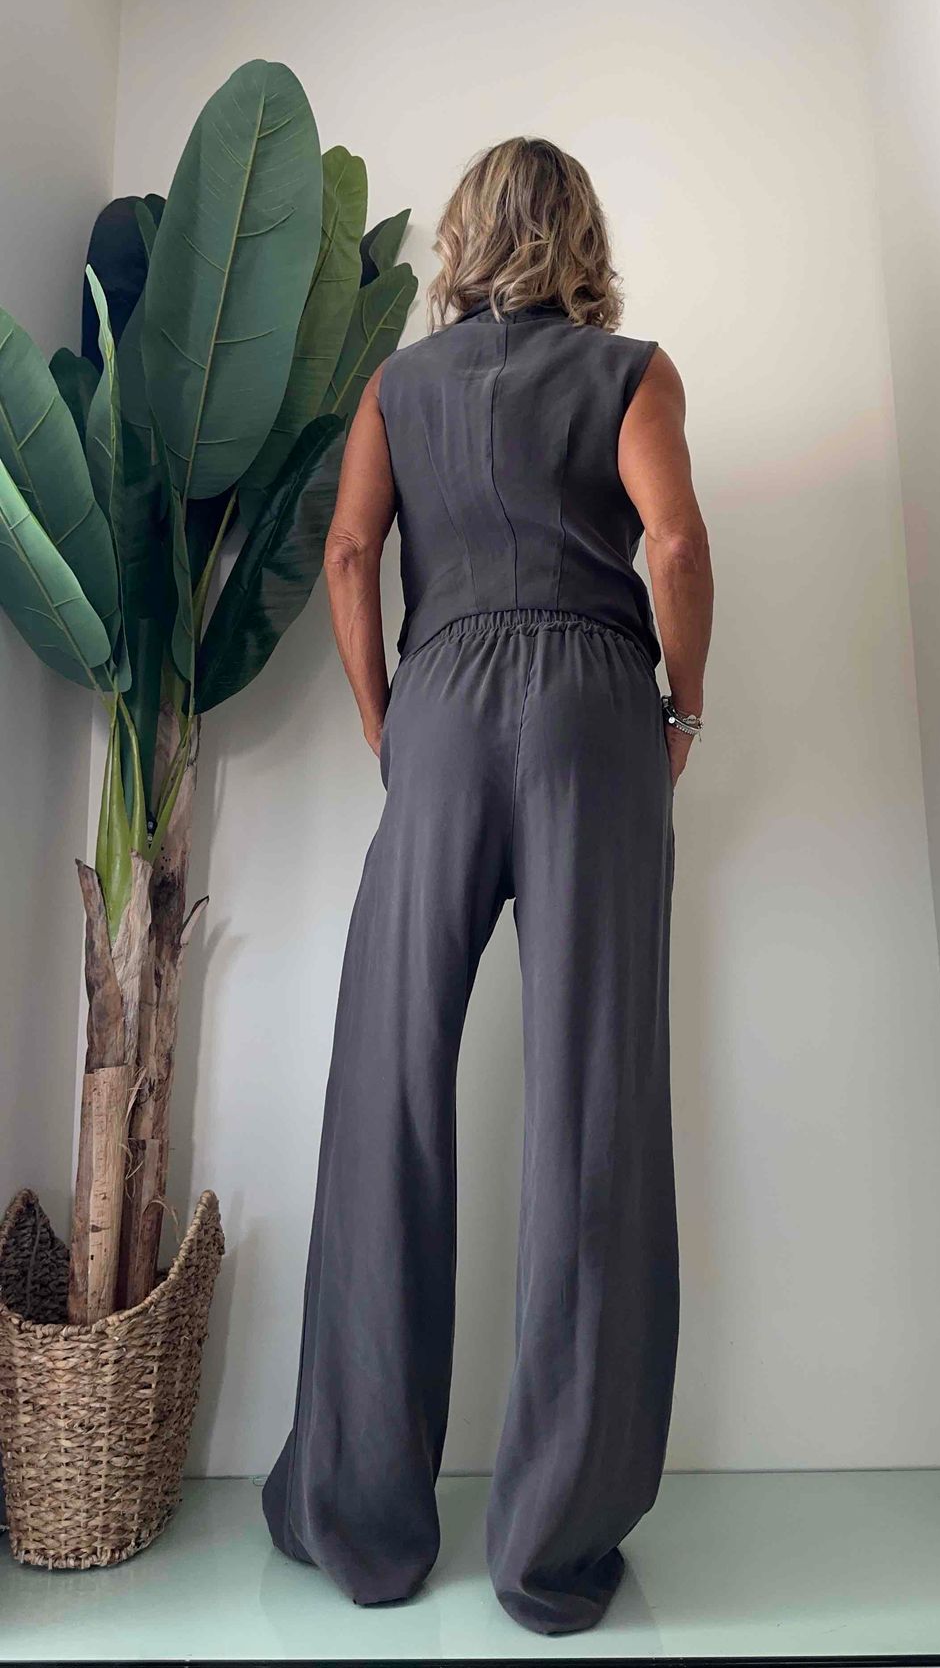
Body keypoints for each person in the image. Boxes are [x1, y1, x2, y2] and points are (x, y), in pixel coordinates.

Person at [263, 136, 713, 1637]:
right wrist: (684, 710)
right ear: (578, 235)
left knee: (387, 1087)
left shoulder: (400, 388)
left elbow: (349, 555)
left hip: (445, 698)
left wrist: (389, 722)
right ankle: (552, 1548)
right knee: (596, 1098)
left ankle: (362, 1519)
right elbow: (672, 542)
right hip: (598, 708)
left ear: (463, 237)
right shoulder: (632, 372)